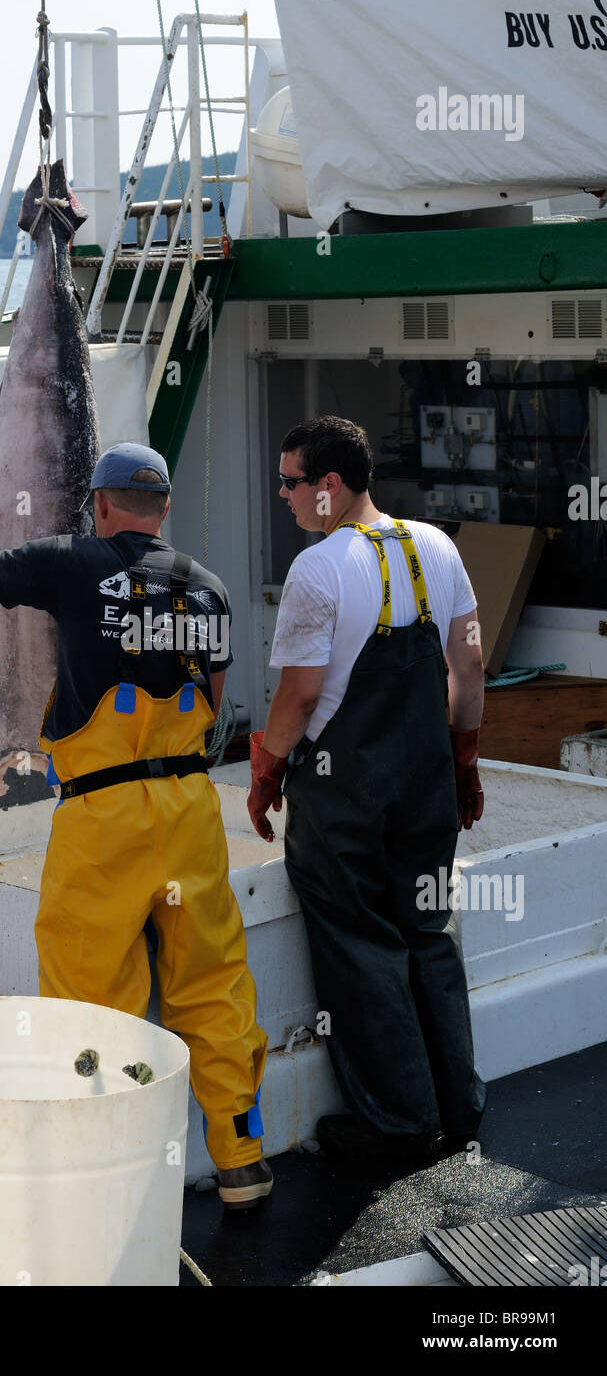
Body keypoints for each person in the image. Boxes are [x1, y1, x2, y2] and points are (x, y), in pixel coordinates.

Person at [0, 443, 271, 1208]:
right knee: (212, 988)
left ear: (103, 506)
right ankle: (241, 1160)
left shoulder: (74, 562)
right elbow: (213, 704)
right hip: (188, 812)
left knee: (91, 999)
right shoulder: (208, 588)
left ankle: (114, 1176)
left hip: (102, 817)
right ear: (166, 508)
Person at [248, 416, 486, 1159]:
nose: (281, 495)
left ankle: (399, 1123)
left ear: (327, 487)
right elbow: (469, 666)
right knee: (426, 932)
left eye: (289, 482)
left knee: (360, 942)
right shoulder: (438, 547)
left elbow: (299, 696)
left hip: (343, 787)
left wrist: (264, 771)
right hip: (425, 780)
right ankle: (459, 1104)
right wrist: (465, 757)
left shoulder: (318, 570)